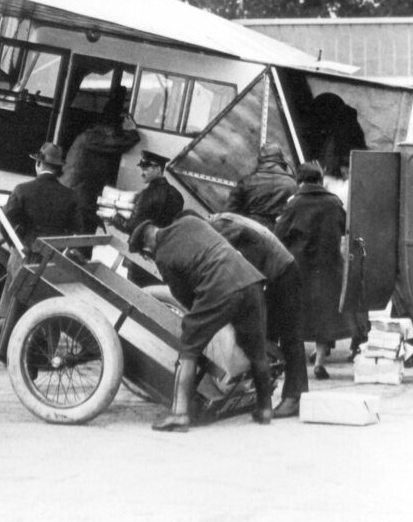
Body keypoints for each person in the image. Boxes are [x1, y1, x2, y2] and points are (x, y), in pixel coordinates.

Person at [130, 215, 273, 431]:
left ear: (146, 249)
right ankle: (265, 409)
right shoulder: (189, 221)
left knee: (189, 345)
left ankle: (179, 415)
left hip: (220, 288)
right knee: (256, 348)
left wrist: (203, 321)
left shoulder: (163, 257)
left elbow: (185, 299)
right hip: (250, 280)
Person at [208, 211, 306, 418]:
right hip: (278, 273)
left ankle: (294, 397)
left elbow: (243, 266)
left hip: (283, 273)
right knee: (268, 335)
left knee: (290, 337)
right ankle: (265, 395)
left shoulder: (221, 227)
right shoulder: (223, 222)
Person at [274, 161, 365, 380]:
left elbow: (279, 232)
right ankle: (319, 363)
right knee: (324, 318)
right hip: (329, 269)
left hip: (300, 269)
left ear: (301, 180)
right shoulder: (333, 203)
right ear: (320, 180)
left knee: (297, 317)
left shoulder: (294, 204)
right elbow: (346, 227)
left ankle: (292, 365)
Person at [0, 143, 84, 317]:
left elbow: (3, 221)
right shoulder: (70, 196)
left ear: (38, 164)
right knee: (48, 310)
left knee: (15, 309)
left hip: (24, 255)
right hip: (53, 259)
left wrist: (15, 244)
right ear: (58, 168)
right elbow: (78, 231)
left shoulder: (22, 190)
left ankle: (10, 342)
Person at [61, 86, 140, 235]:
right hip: (80, 200)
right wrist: (132, 131)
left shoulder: (88, 137)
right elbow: (119, 143)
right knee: (80, 243)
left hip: (77, 197)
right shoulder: (92, 139)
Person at [113, 150, 184, 287]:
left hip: (141, 254)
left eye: (146, 168)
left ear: (158, 169)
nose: (141, 172)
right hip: (162, 256)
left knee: (135, 290)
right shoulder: (177, 195)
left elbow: (133, 226)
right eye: (141, 168)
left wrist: (114, 217)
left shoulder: (146, 195)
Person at [225, 141, 297, 229]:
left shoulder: (248, 181)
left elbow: (228, 212)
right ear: (281, 159)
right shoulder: (292, 185)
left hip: (247, 232)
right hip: (276, 237)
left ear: (261, 159)